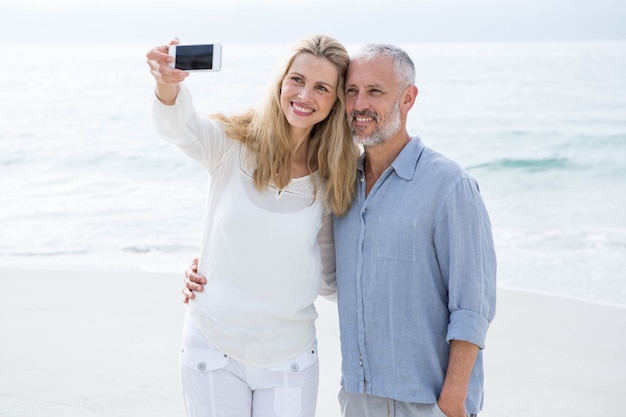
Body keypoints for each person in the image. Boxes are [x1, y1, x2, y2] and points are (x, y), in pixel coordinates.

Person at [184, 43, 497, 417]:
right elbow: (319, 270)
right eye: (351, 91)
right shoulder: (341, 185)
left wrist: (453, 400)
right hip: (358, 398)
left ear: (408, 98)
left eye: (375, 92)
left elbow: (472, 306)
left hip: (426, 401)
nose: (359, 104)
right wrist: (218, 265)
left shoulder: (448, 185)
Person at [147, 34, 358, 417]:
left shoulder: (333, 177)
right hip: (211, 348)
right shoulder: (232, 143)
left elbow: (329, 278)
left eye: (321, 87)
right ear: (281, 81)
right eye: (297, 79)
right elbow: (180, 128)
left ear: (335, 101)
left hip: (289, 359)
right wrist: (166, 84)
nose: (304, 95)